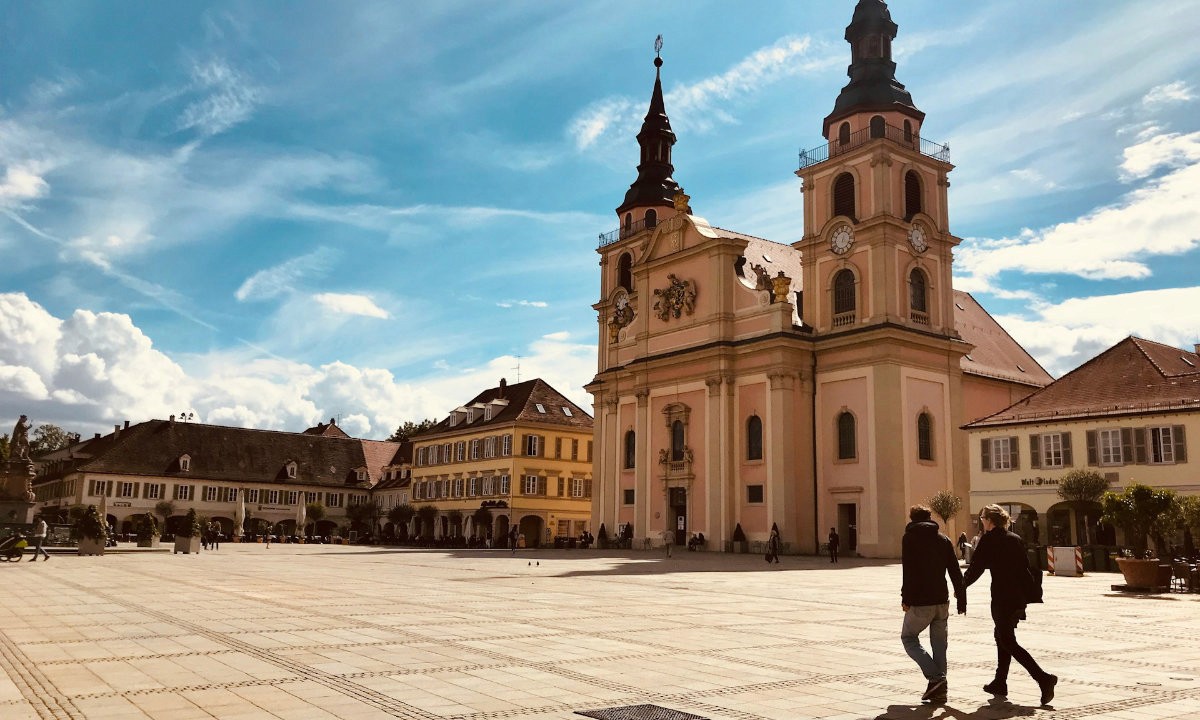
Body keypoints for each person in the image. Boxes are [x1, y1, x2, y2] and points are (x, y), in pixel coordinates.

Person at [964, 504, 1058, 706]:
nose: (981, 521)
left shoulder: (989, 539)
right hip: (1018, 596)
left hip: (1002, 596)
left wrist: (961, 585)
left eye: (982, 518)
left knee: (1006, 639)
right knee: (1002, 636)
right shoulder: (1014, 539)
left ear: (989, 520)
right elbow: (1024, 567)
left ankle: (1043, 678)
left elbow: (977, 567)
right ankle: (1000, 682)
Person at [901, 505, 965, 705]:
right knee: (939, 646)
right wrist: (961, 599)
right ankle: (940, 691)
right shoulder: (943, 539)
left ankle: (936, 679)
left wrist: (906, 598)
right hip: (941, 600)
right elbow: (955, 570)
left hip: (921, 601)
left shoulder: (910, 538)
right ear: (930, 518)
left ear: (912, 519)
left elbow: (908, 570)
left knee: (908, 638)